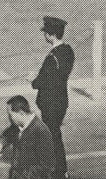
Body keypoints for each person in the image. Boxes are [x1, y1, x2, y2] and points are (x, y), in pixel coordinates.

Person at [31, 17, 75, 179]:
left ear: (51, 35)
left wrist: (33, 80)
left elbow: (42, 82)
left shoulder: (52, 57)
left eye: (46, 33)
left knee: (52, 137)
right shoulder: (68, 51)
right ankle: (58, 169)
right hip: (61, 100)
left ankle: (60, 171)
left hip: (50, 102)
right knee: (53, 134)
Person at [0, 94, 55, 179]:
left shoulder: (41, 132)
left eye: (10, 115)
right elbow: (8, 133)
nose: (9, 118)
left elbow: (47, 165)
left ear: (21, 113)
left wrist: (24, 176)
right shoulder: (18, 126)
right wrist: (0, 144)